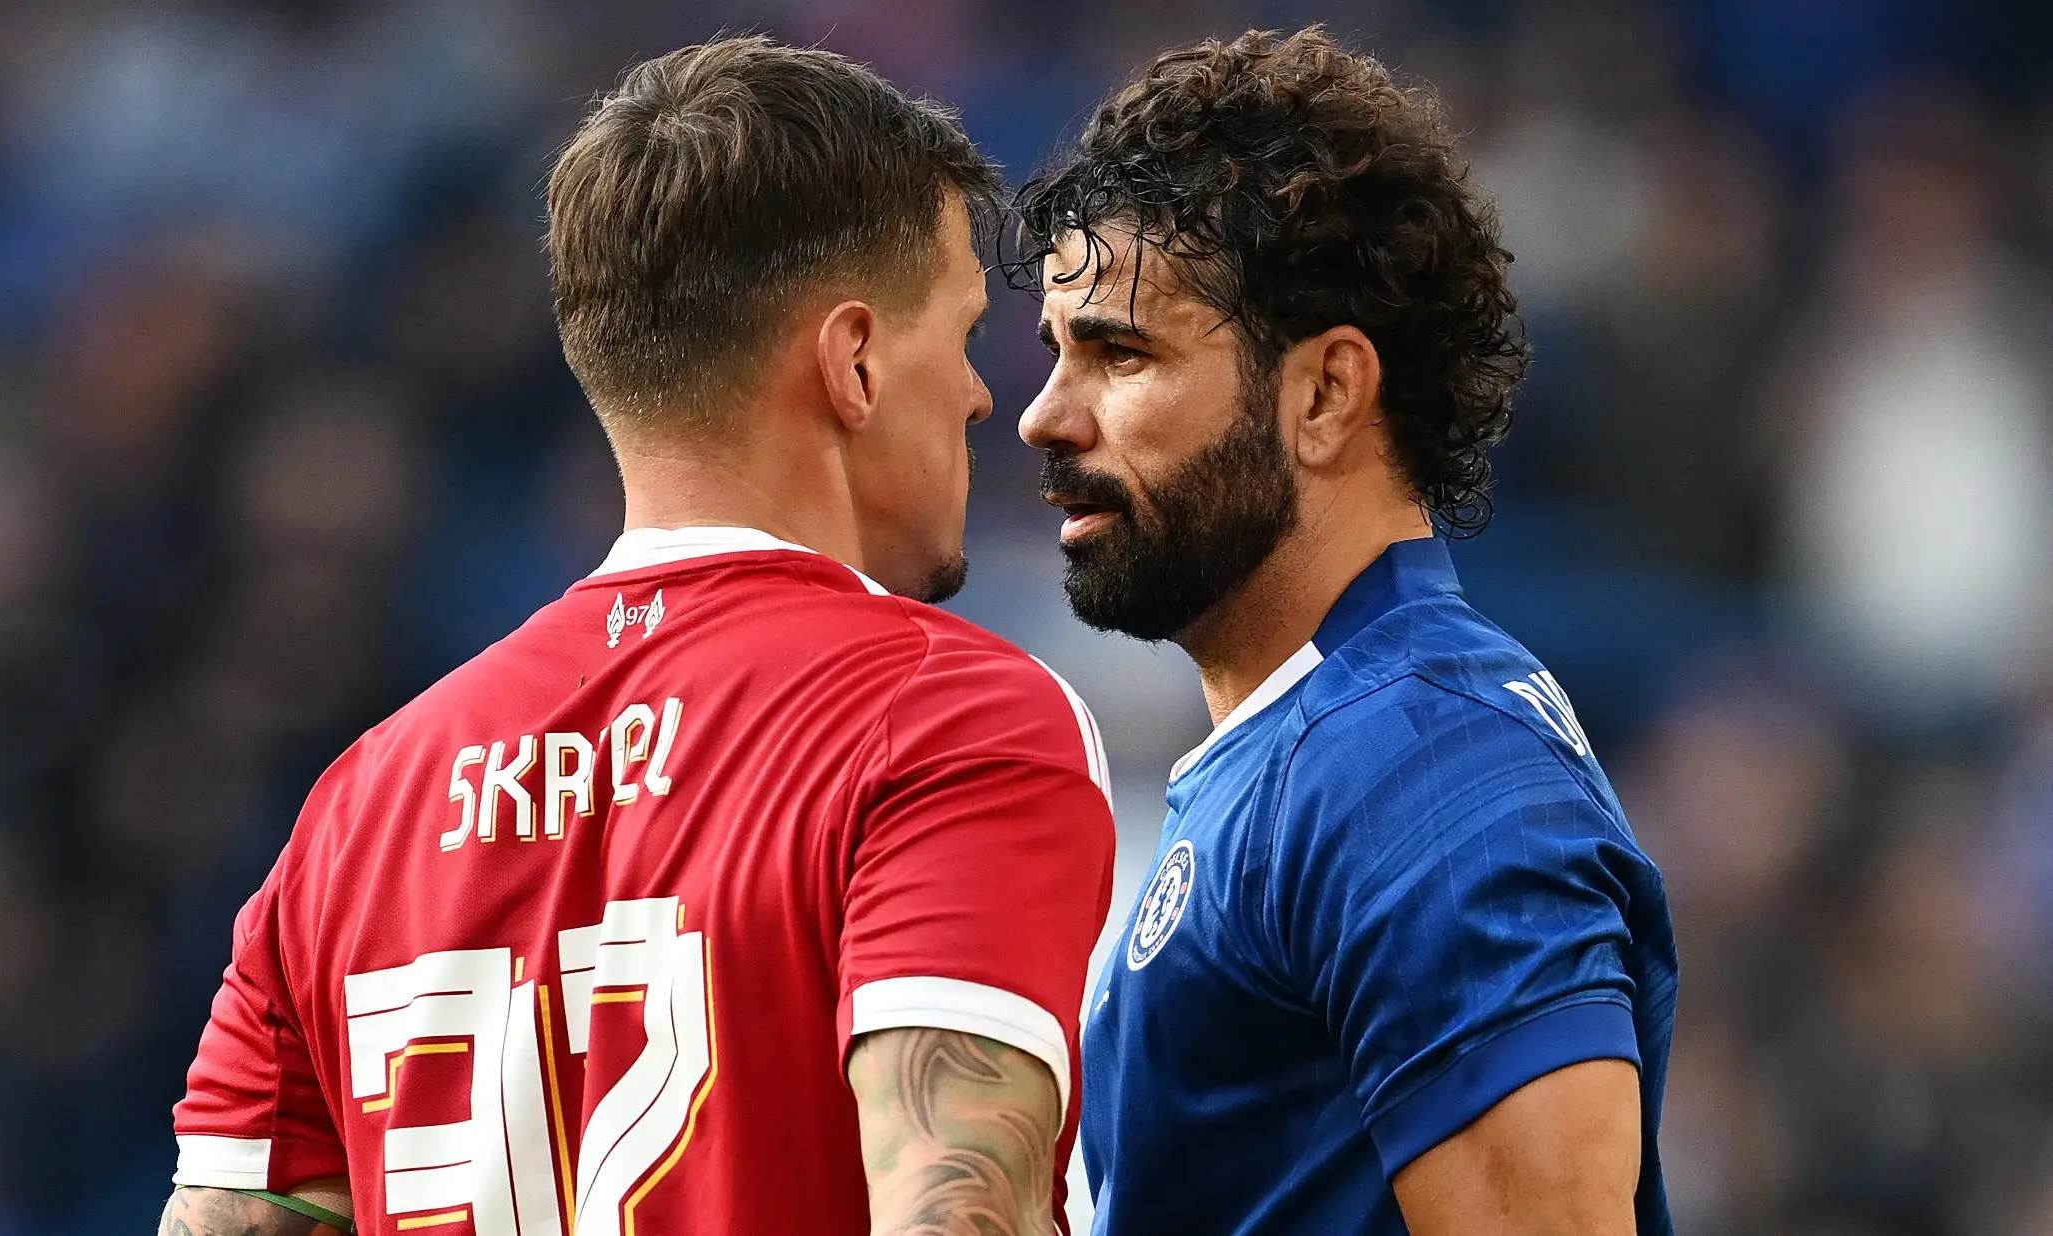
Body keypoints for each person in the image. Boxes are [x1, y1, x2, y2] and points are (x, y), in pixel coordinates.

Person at [158, 36, 1116, 1236]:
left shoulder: (356, 813)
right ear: (854, 362)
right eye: (966, 337)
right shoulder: (944, 720)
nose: (990, 400)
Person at [1014, 28, 1676, 1236]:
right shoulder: (1326, 744)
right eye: (1056, 354)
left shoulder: (1420, 762)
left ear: (1323, 393)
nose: (1043, 417)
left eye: (1119, 353)